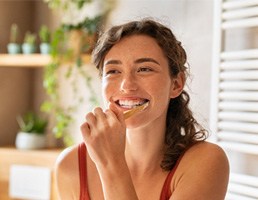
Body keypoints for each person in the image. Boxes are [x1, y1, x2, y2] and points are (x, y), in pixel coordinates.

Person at [55, 18, 229, 200]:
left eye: (144, 69)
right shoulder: (71, 166)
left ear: (176, 84)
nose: (127, 85)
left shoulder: (206, 162)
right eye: (113, 71)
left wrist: (111, 163)